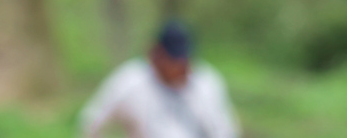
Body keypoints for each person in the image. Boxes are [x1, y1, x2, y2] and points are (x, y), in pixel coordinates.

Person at [79, 20, 239, 138]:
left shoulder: (207, 83)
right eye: (174, 60)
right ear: (155, 54)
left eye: (185, 60)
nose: (181, 67)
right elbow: (92, 121)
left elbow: (224, 131)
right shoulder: (129, 82)